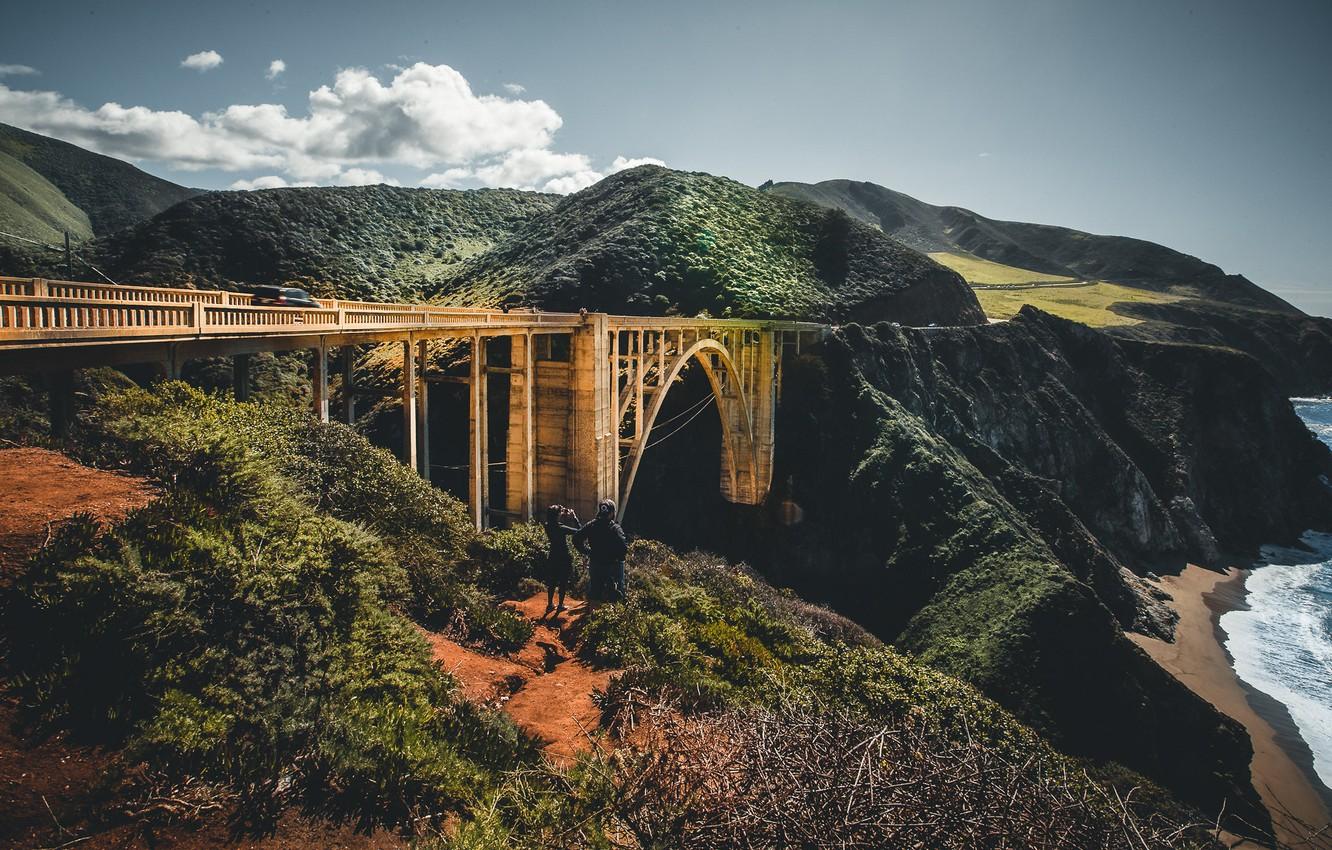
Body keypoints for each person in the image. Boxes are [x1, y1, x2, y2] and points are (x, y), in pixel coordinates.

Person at [573, 499, 628, 602]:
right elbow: (623, 549)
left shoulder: (592, 525)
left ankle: (593, 614)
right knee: (617, 592)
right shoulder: (615, 528)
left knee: (595, 590)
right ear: (612, 513)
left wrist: (587, 551)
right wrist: (616, 558)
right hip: (612, 565)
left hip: (595, 563)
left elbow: (576, 538)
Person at [542, 504, 580, 614]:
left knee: (552, 581)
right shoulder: (562, 528)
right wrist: (574, 518)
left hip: (553, 556)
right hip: (564, 557)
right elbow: (579, 530)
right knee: (563, 581)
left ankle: (550, 604)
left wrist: (560, 513)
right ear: (557, 515)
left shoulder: (547, 525)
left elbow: (553, 519)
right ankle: (560, 605)